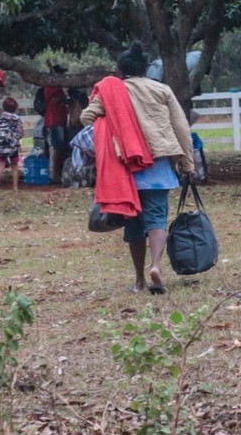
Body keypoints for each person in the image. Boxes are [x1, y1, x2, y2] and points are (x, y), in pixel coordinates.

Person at [82, 42, 194, 294]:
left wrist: (113, 126)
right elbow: (181, 127)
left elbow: (86, 117)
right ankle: (156, 266)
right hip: (158, 165)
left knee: (133, 224)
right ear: (146, 68)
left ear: (122, 69)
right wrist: (187, 163)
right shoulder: (161, 89)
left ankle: (139, 280)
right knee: (156, 219)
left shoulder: (112, 91)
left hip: (125, 167)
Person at [41, 64, 70, 184]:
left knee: (60, 146)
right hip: (54, 120)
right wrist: (63, 98)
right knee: (56, 147)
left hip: (60, 119)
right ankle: (54, 174)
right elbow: (53, 100)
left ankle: (57, 172)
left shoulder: (57, 86)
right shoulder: (52, 86)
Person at [0, 97, 24, 193]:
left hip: (0, 146)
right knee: (14, 166)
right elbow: (20, 133)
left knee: (0, 166)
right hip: (12, 145)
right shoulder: (16, 119)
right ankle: (15, 187)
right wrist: (17, 141)